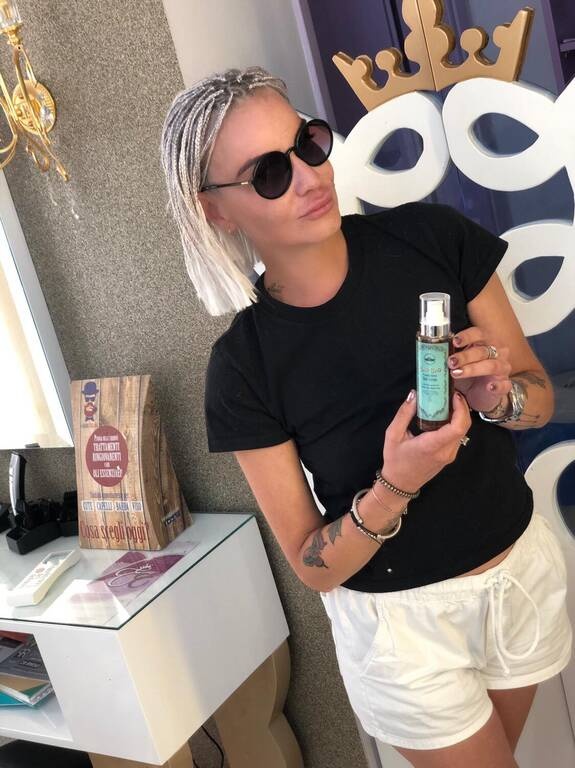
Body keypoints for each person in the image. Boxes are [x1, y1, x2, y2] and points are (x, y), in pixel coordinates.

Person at [160, 66, 572, 768]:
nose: (307, 176)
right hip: (403, 631)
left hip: (518, 578)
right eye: (268, 174)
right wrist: (396, 484)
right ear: (217, 210)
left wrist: (498, 398)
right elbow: (312, 564)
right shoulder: (243, 366)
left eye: (307, 144)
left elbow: (540, 399)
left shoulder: (432, 238)